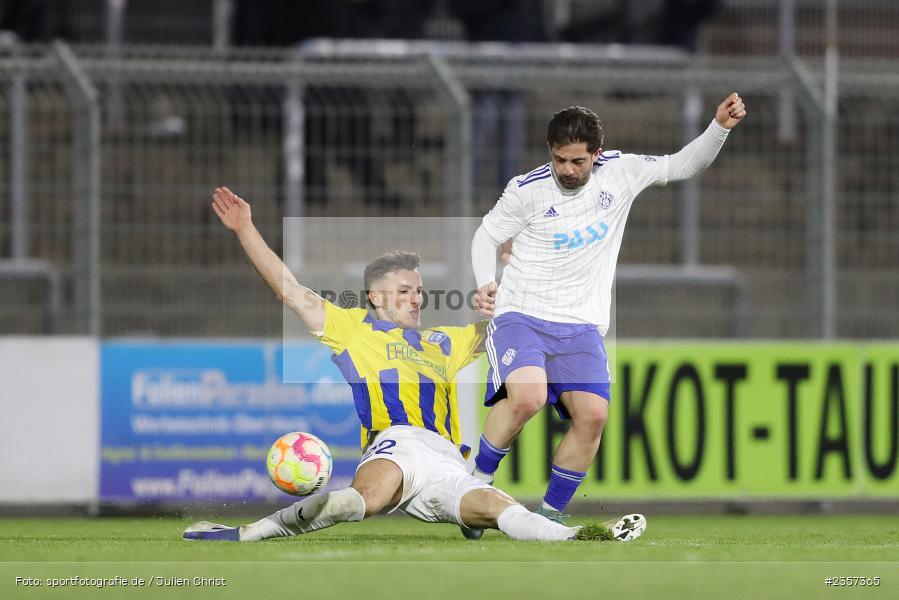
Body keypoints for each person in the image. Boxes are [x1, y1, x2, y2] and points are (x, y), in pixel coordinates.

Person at [183, 187, 644, 543]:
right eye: (404, 291)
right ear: (375, 295)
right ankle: (246, 533)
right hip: (395, 444)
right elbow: (288, 288)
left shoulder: (444, 341)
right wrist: (245, 228)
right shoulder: (352, 328)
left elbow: (520, 327)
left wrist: (511, 272)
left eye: (419, 291)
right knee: (364, 500)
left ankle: (578, 535)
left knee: (498, 509)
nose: (416, 298)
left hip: (448, 459)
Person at [464, 93, 747, 537]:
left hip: (581, 325)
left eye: (577, 161)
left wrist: (719, 128)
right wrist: (485, 283)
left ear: (596, 154)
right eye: (559, 159)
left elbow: (682, 165)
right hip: (522, 313)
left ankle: (550, 517)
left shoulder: (622, 171)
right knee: (527, 397)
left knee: (593, 416)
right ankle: (475, 488)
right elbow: (486, 236)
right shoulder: (525, 189)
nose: (567, 169)